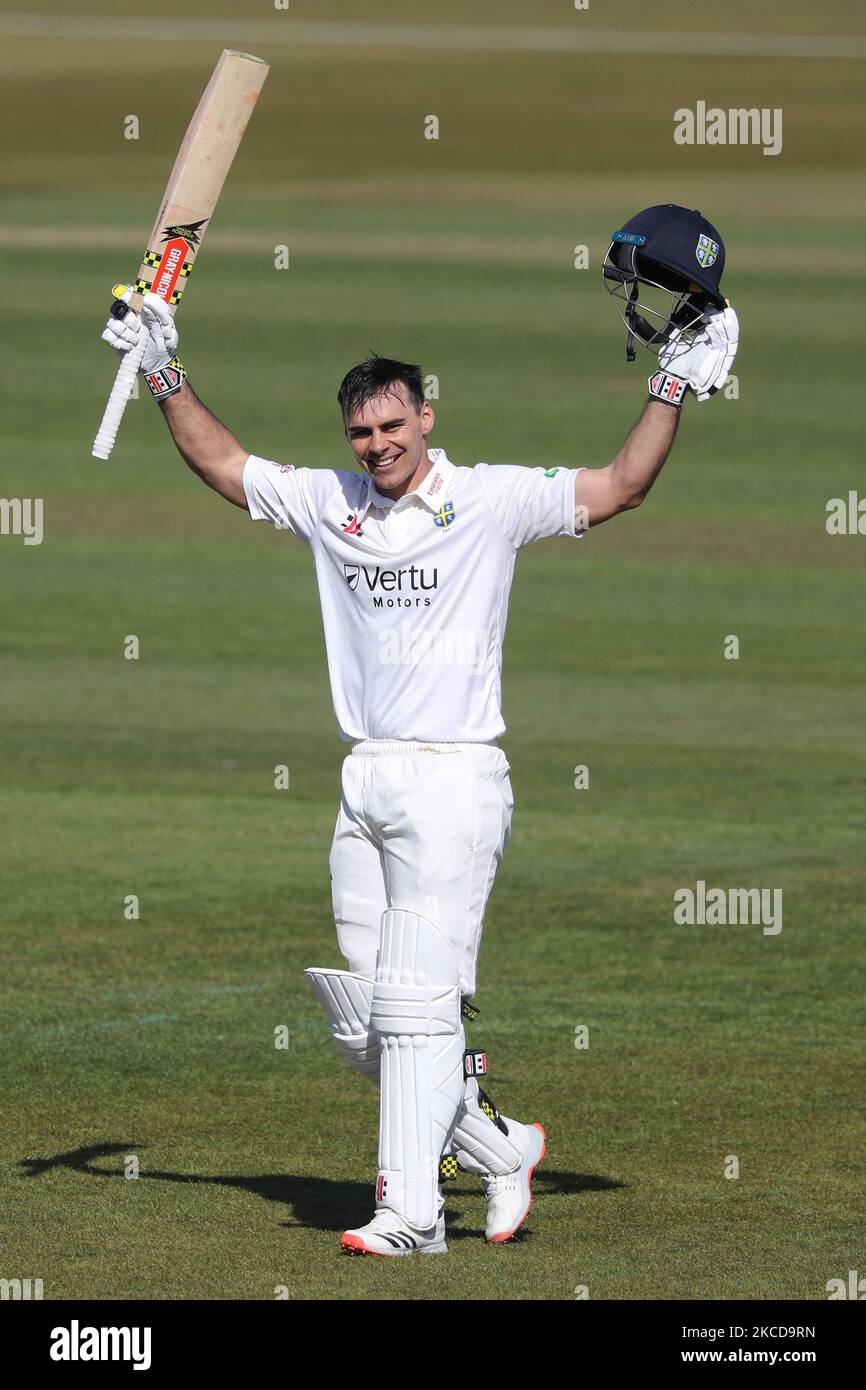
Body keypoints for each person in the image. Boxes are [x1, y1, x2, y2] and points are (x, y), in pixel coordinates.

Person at [100, 237, 737, 1256]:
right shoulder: (332, 504)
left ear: (424, 417)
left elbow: (618, 485)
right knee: (365, 1021)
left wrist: (668, 383)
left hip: (452, 776)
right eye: (361, 430)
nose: (376, 444)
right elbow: (222, 462)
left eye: (392, 424)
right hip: (366, 778)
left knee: (412, 1007)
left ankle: (410, 1214)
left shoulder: (488, 499)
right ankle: (493, 1147)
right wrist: (163, 368)